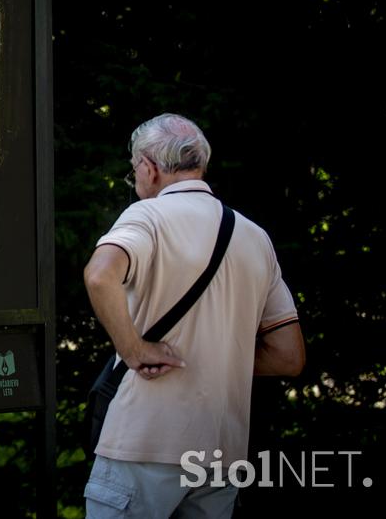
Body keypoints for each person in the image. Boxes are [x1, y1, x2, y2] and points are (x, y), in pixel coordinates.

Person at [83, 113, 305, 518]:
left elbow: (100, 276)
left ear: (149, 168)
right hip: (221, 452)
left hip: (143, 443)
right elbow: (289, 356)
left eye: (134, 169)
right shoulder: (255, 237)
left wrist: (133, 349)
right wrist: (220, 357)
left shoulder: (146, 216)